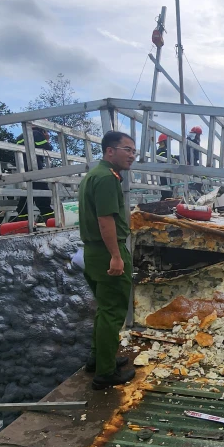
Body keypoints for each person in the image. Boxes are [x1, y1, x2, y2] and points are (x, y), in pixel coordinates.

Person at [78, 131, 137, 389]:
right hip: (106, 252)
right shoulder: (106, 179)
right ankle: (105, 373)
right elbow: (106, 221)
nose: (132, 155)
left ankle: (98, 359)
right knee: (112, 312)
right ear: (110, 151)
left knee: (104, 310)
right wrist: (116, 256)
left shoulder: (94, 175)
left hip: (92, 252)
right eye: (127, 149)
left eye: (134, 151)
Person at [15, 126, 54, 221]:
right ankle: (50, 219)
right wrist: (47, 139)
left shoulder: (20, 137)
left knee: (26, 196)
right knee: (43, 194)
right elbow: (48, 148)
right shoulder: (36, 134)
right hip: (35, 167)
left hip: (23, 168)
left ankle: (22, 221)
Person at [155, 133, 173, 200]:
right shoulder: (160, 151)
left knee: (168, 194)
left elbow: (172, 157)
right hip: (164, 176)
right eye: (168, 141)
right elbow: (169, 158)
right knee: (166, 194)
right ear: (163, 142)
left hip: (166, 175)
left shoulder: (164, 151)